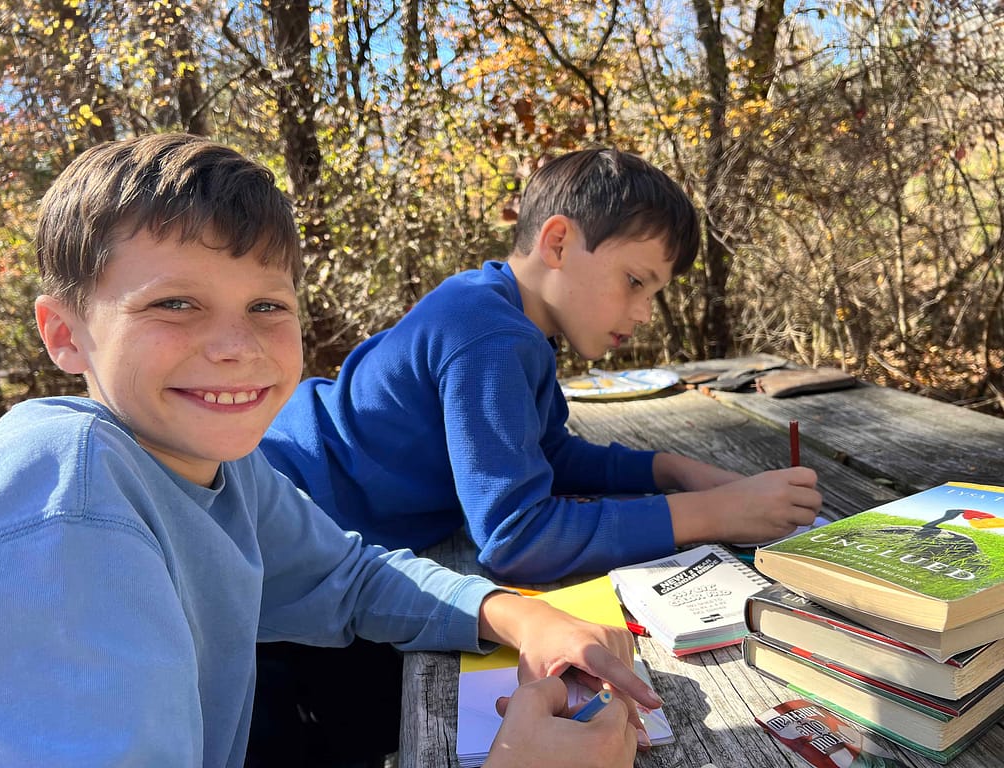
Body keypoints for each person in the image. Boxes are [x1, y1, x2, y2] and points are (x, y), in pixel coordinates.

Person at [0, 134, 660, 768]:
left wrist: (519, 613)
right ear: (65, 334)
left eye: (267, 307)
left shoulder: (228, 469)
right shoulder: (66, 491)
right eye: (176, 304)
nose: (235, 346)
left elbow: (351, 579)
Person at [261, 147, 824, 583]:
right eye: (635, 281)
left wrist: (669, 470)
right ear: (557, 243)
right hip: (279, 518)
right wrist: (711, 513)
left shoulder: (504, 314)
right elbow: (516, 539)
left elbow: (543, 454)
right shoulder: (489, 335)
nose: (646, 313)